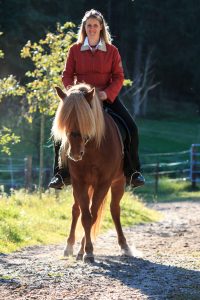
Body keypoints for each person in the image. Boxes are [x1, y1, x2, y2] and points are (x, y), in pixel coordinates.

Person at [49, 9, 145, 189]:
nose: (92, 28)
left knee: (131, 128)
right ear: (84, 28)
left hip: (105, 97)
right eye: (89, 25)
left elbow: (118, 77)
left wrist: (106, 94)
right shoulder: (74, 49)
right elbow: (67, 75)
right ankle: (60, 175)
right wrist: (74, 95)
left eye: (95, 25)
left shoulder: (112, 51)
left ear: (101, 28)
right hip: (79, 100)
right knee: (58, 135)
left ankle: (133, 172)